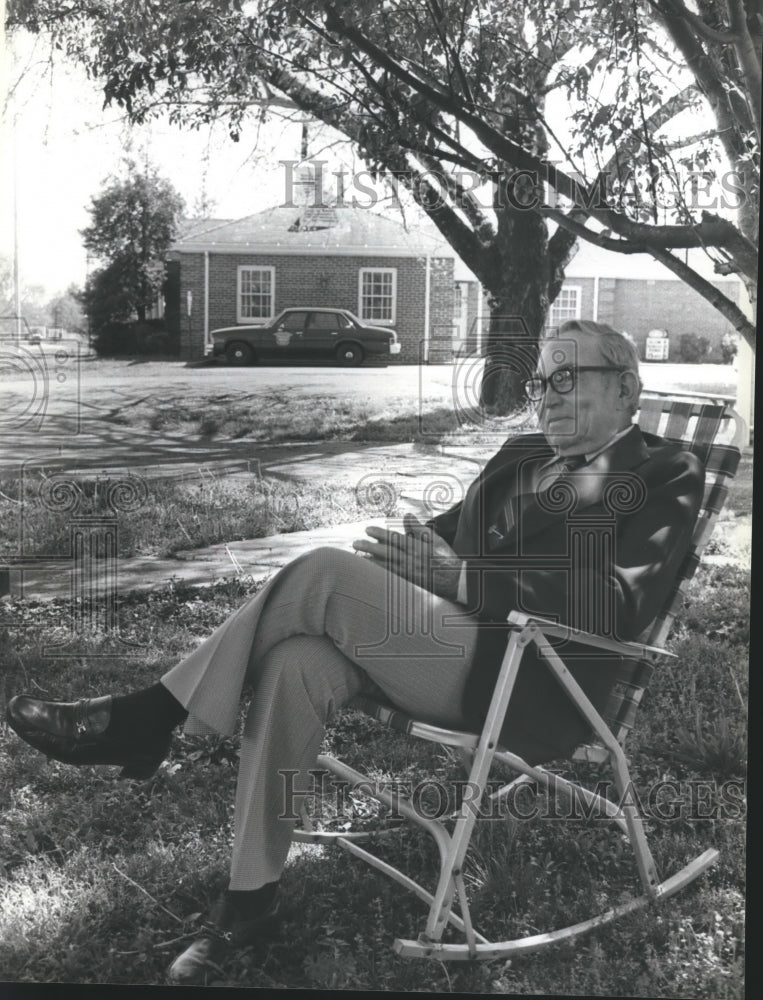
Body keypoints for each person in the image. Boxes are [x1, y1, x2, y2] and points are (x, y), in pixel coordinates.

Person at [6, 320, 704, 984]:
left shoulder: (665, 469)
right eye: (537, 384)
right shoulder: (520, 457)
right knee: (295, 663)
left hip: (533, 677)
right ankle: (247, 902)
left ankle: (148, 720)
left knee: (320, 572)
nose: (544, 397)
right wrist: (409, 558)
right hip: (447, 641)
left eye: (564, 379)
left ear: (623, 387)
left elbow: (613, 601)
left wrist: (461, 579)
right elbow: (443, 538)